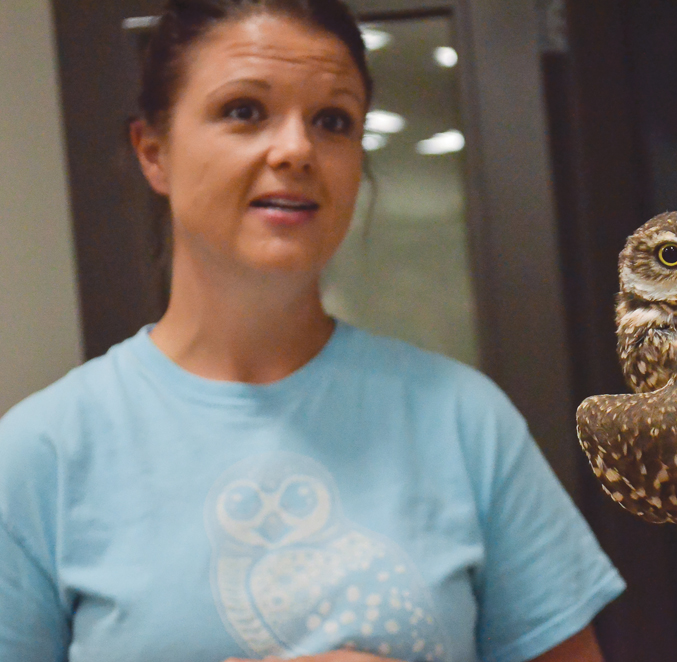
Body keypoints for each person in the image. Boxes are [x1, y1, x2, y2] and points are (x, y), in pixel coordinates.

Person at [0, 1, 625, 661]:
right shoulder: (43, 454)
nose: (296, 149)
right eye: (243, 110)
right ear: (154, 152)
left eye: (333, 121)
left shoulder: (464, 423)